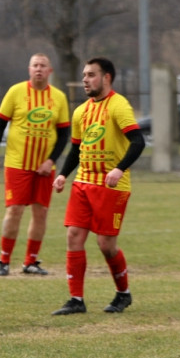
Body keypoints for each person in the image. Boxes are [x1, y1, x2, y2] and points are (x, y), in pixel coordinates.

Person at [51, 58, 145, 315]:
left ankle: (123, 294)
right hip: (83, 183)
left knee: (106, 245)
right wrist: (63, 174)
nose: (85, 79)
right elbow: (76, 148)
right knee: (74, 236)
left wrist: (119, 168)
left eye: (91, 74)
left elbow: (138, 141)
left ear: (106, 78)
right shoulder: (80, 111)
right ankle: (76, 300)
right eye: (84, 75)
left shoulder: (119, 105)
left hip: (111, 187)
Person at [0, 53, 70, 276]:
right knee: (14, 210)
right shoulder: (16, 92)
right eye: (35, 65)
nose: (39, 69)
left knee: (40, 213)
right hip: (17, 164)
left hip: (44, 167)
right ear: (29, 69)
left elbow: (64, 135)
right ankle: (4, 260)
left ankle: (30, 262)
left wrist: (51, 160)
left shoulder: (59, 97)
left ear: (50, 71)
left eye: (43, 66)